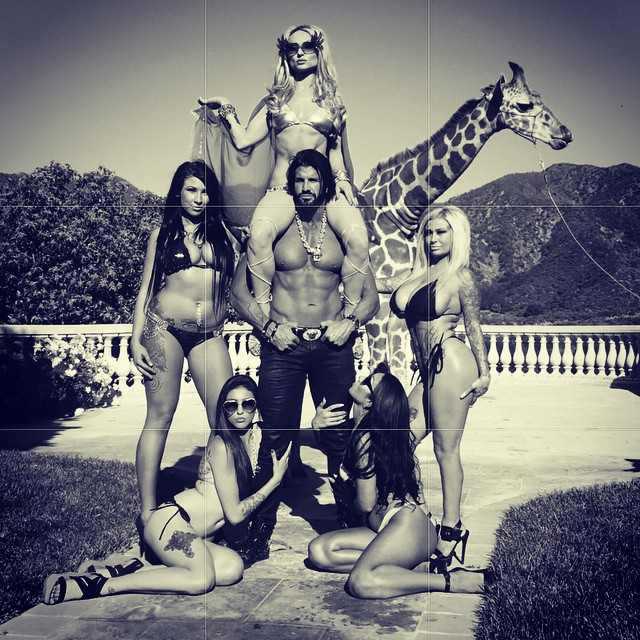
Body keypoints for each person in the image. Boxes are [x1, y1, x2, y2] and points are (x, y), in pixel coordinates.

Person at [229, 149, 380, 564]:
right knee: (275, 436)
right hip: (284, 347)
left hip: (333, 347)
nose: (306, 187)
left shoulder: (342, 235)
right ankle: (258, 532)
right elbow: (238, 294)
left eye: (314, 180)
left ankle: (351, 521)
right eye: (299, 180)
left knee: (339, 435)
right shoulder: (275, 231)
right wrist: (267, 328)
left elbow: (371, 299)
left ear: (325, 184)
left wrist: (350, 322)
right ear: (290, 185)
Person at [42, 375, 292, 605]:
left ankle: (122, 568)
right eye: (231, 405)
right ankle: (96, 586)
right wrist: (275, 480)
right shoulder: (222, 446)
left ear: (256, 407)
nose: (239, 411)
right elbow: (235, 514)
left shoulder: (251, 438)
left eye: (247, 404)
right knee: (202, 579)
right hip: (171, 522)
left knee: (231, 569)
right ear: (223, 410)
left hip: (196, 534)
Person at [195, 23, 369, 319]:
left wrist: (342, 180)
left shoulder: (334, 105)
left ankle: (350, 320)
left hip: (323, 192)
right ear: (285, 55)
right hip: (282, 191)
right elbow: (243, 139)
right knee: (259, 234)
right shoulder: (274, 103)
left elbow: (335, 153)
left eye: (307, 47)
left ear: (319, 52)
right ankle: (265, 318)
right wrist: (226, 108)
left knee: (358, 238)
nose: (299, 53)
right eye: (292, 48)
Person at [306, 368, 487, 598]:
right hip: (385, 528)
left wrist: (349, 499)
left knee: (361, 582)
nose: (360, 377)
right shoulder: (360, 429)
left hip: (408, 526)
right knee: (319, 551)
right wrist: (317, 428)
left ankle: (451, 580)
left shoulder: (366, 437)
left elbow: (365, 504)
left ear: (369, 401)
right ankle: (410, 569)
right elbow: (338, 456)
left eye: (367, 381)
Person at [130, 161, 236, 532]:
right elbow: (146, 290)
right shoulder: (162, 235)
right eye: (191, 190)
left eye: (205, 191)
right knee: (160, 416)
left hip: (210, 334)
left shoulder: (223, 236)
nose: (198, 198)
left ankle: (215, 499)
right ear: (178, 193)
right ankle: (148, 512)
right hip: (165, 330)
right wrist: (135, 339)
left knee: (224, 419)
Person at [388, 206, 490, 574]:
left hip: (451, 364)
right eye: (428, 232)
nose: (433, 239)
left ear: (455, 236)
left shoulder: (460, 277)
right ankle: (408, 512)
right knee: (398, 439)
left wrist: (485, 373)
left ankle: (451, 529)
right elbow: (380, 285)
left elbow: (474, 326)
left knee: (445, 449)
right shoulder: (417, 274)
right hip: (426, 371)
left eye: (441, 232)